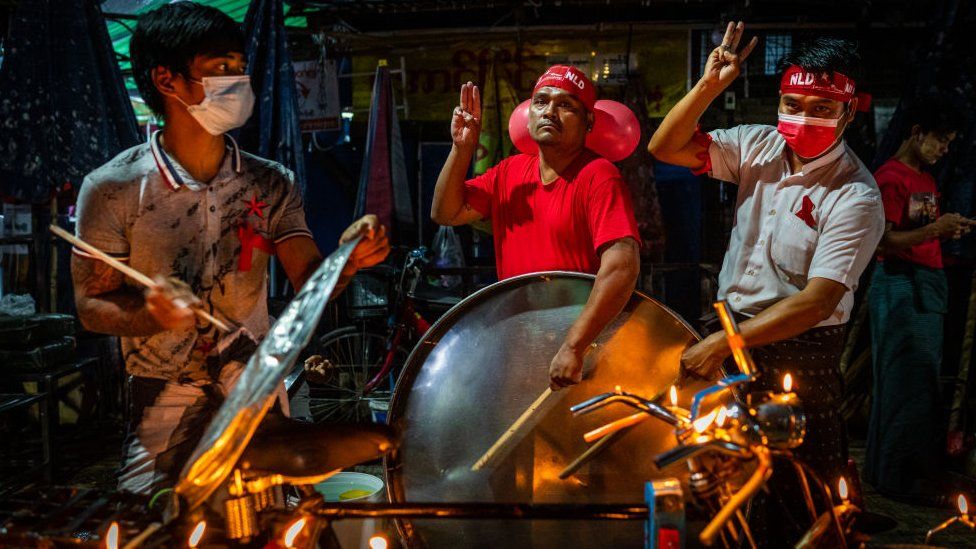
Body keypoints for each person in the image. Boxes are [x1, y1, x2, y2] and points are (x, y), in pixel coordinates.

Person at [70, 2, 389, 495]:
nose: (237, 82)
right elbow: (91, 305)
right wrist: (151, 314)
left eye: (239, 68)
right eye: (219, 69)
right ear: (166, 80)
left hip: (256, 393)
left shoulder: (269, 182)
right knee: (162, 521)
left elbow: (310, 284)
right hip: (163, 401)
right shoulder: (112, 188)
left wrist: (344, 262)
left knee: (265, 522)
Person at [649, 23, 885, 540]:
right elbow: (664, 147)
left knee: (802, 492)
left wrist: (721, 343)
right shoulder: (757, 145)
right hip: (731, 336)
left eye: (822, 108)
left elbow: (818, 302)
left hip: (800, 350)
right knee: (725, 483)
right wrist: (709, 86)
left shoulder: (856, 196)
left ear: (849, 112)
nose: (803, 118)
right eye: (793, 102)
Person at [430, 65, 641, 391]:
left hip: (581, 348)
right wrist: (462, 149)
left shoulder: (599, 175)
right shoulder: (509, 172)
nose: (550, 112)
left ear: (588, 122)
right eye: (541, 102)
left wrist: (575, 345)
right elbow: (446, 212)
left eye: (566, 105)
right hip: (520, 343)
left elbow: (621, 267)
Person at [865, 96, 974, 503]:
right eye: (941, 141)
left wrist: (946, 230)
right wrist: (934, 232)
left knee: (912, 382)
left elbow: (918, 231)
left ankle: (885, 473)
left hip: (924, 285)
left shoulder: (925, 178)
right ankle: (899, 479)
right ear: (916, 134)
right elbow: (883, 240)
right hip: (900, 285)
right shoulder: (890, 178)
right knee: (905, 384)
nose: (944, 150)